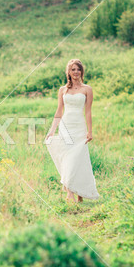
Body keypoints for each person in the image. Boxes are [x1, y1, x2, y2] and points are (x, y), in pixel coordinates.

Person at [44, 59, 100, 203]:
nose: (76, 72)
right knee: (68, 158)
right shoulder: (63, 90)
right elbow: (59, 111)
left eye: (78, 69)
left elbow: (88, 112)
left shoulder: (87, 89)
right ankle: (70, 192)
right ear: (68, 72)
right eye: (73, 69)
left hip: (79, 127)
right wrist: (52, 130)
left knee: (79, 159)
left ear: (82, 72)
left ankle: (80, 192)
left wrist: (90, 131)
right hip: (66, 126)